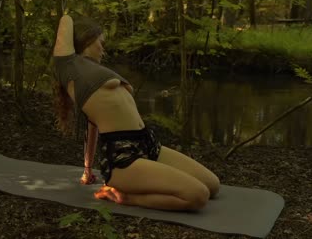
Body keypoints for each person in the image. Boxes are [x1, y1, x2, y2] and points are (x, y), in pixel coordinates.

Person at [51, 14, 219, 211]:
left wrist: (87, 169)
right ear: (87, 39)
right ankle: (124, 197)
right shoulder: (69, 66)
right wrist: (70, 14)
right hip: (124, 158)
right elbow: (65, 20)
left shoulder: (92, 73)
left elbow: (93, 127)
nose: (103, 49)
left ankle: (143, 181)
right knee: (198, 196)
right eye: (101, 42)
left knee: (213, 185)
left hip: (148, 143)